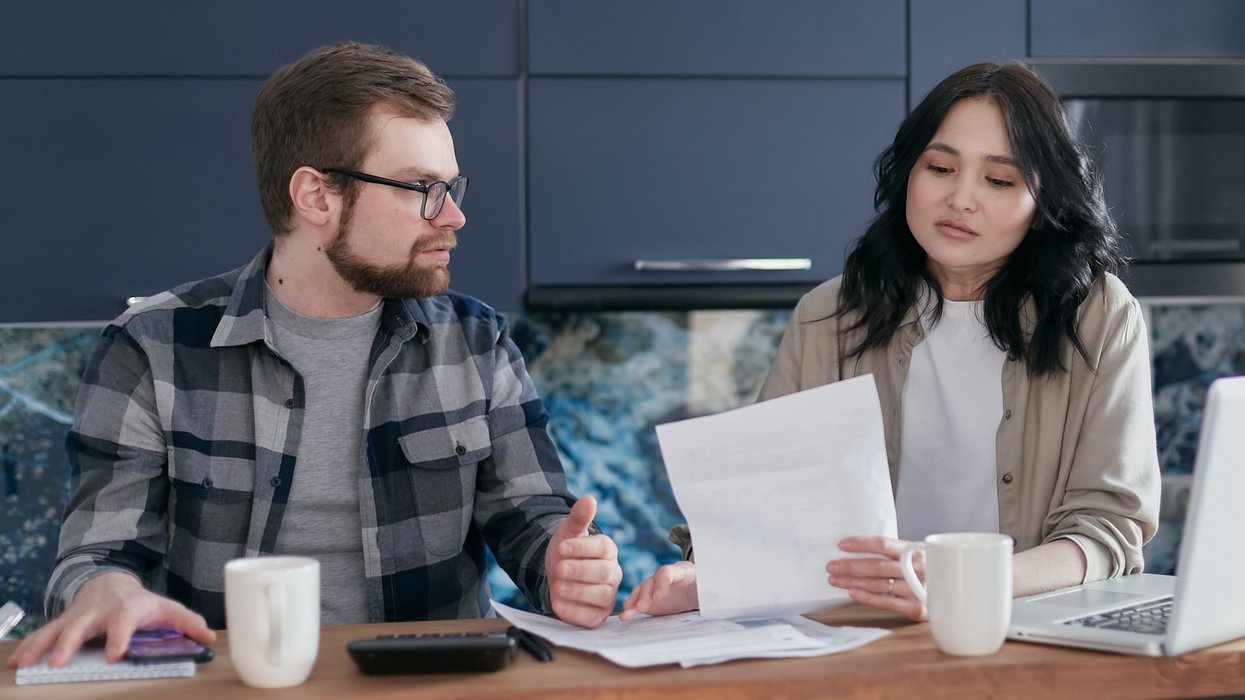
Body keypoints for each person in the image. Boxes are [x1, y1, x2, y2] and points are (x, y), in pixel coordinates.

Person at [8, 41, 621, 669]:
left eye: (451, 187)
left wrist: (563, 564)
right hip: (232, 687)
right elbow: (95, 556)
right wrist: (104, 595)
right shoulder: (151, 347)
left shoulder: (476, 341)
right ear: (317, 196)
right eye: (422, 189)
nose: (456, 216)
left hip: (435, 684)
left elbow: (535, 519)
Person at [621, 61, 1160, 622]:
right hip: (856, 636)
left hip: (1022, 637)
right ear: (909, 173)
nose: (961, 198)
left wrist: (960, 580)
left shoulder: (1098, 316)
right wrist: (706, 577)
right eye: (940, 167)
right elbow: (765, 512)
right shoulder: (829, 316)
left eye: (999, 180)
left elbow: (1107, 531)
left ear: (1043, 201)